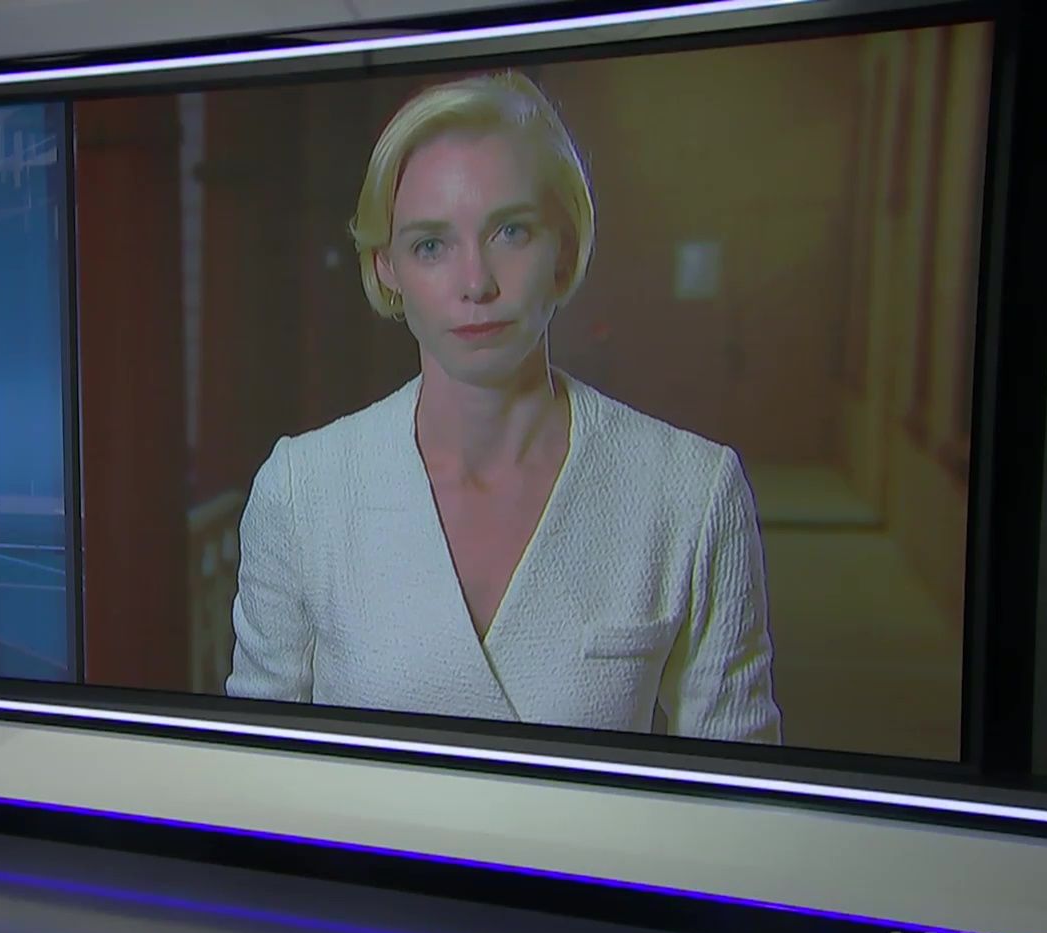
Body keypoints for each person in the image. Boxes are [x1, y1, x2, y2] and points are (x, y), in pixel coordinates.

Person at [225, 72, 781, 743]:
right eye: (431, 245)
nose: (475, 283)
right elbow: (256, 771)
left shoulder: (689, 490)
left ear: (564, 247)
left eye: (510, 232)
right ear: (386, 267)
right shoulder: (302, 490)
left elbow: (735, 784)